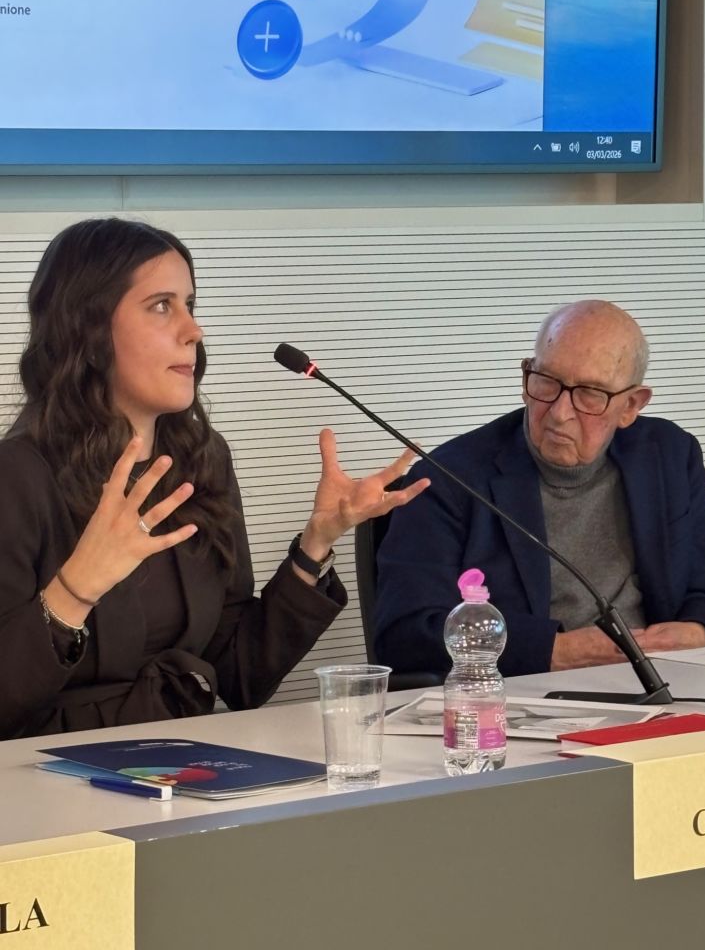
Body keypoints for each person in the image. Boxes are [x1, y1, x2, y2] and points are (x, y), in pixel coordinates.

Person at [0, 217, 428, 739]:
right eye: (162, 306)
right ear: (86, 330)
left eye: (190, 304)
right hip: (44, 770)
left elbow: (240, 674)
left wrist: (315, 543)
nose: (194, 331)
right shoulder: (16, 476)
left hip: (179, 758)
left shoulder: (203, 459)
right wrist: (74, 591)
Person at [374, 300, 705, 679]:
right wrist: (559, 652)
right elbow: (404, 635)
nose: (560, 413)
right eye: (546, 381)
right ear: (526, 376)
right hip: (522, 694)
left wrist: (699, 632)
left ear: (630, 405)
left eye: (590, 393)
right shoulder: (449, 477)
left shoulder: (671, 455)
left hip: (661, 682)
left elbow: (703, 591)